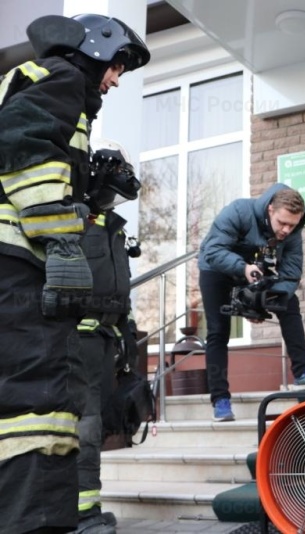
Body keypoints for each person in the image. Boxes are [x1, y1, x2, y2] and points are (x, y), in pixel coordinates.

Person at [0, 14, 148, 534]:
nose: (115, 78)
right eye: (117, 66)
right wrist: (60, 237)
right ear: (94, 48)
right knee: (38, 400)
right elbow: (28, 149)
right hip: (17, 264)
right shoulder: (62, 78)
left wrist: (88, 195)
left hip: (13, 262)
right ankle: (37, 522)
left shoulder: (36, 81)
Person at [198, 184, 305, 422]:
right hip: (216, 269)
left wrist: (259, 302)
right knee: (218, 331)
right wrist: (243, 267)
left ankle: (303, 372)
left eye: (291, 225)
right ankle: (220, 400)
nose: (285, 230)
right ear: (270, 209)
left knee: (290, 303)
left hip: (254, 271)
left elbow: (291, 274)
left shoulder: (292, 232)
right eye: (282, 223)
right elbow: (213, 250)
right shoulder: (239, 212)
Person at [73, 140, 142, 534]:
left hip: (104, 341)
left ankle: (89, 508)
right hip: (76, 341)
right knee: (85, 426)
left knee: (94, 427)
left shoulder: (112, 227)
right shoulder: (74, 217)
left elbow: (121, 288)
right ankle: (82, 515)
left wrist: (125, 339)